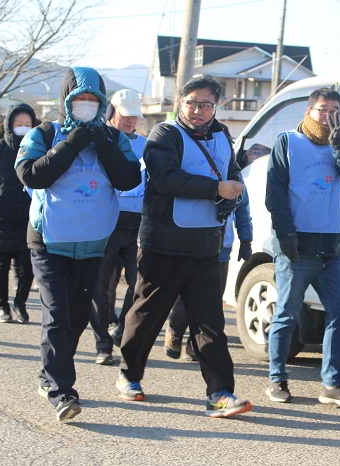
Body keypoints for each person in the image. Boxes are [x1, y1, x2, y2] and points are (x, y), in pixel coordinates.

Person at [117, 75, 252, 418]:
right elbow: (165, 178)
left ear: (216, 107)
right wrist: (215, 190)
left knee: (210, 324)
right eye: (192, 102)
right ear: (180, 103)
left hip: (206, 244)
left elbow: (231, 172)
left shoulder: (222, 134)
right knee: (147, 314)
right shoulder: (165, 134)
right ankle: (129, 375)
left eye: (206, 104)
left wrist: (230, 194)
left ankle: (220, 393)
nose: (198, 110)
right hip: (164, 242)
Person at [15, 67, 141, 421]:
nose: (86, 105)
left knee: (79, 315)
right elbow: (31, 174)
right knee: (57, 314)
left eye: (93, 100)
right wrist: (72, 143)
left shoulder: (114, 138)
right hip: (48, 240)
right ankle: (62, 390)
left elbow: (129, 178)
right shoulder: (45, 133)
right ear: (67, 101)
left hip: (92, 240)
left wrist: (100, 140)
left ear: (102, 103)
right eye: (79, 99)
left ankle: (48, 375)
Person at [264, 88, 340, 406]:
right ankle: (277, 379)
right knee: (287, 312)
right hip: (297, 245)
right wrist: (285, 235)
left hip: (332, 247)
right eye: (323, 109)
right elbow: (275, 193)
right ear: (309, 111)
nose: (328, 116)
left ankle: (332, 385)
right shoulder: (288, 141)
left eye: (335, 110)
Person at [89, 89, 147, 366]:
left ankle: (121, 329)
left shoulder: (147, 144)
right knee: (100, 286)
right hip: (105, 220)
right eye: (126, 114)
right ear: (110, 113)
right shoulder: (100, 140)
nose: (131, 120)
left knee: (139, 283)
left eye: (135, 116)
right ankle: (102, 343)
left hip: (138, 223)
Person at [164, 179, 252, 361]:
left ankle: (195, 344)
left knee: (211, 301)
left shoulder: (234, 174)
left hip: (222, 247)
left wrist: (246, 239)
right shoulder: (200, 167)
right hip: (194, 241)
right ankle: (175, 328)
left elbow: (242, 208)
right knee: (187, 293)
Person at [0, 103, 39, 324]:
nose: (23, 127)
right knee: (1, 264)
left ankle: (20, 303)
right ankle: (2, 306)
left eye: (27, 124)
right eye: (19, 123)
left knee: (27, 265)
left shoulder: (36, 148)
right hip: (1, 216)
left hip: (28, 217)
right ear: (10, 124)